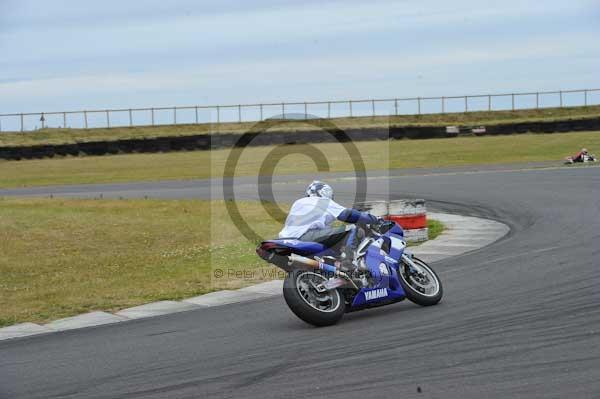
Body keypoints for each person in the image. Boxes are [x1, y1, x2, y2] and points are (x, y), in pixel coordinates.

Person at [278, 180, 381, 271]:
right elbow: (347, 214)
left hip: (286, 239)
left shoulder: (298, 203)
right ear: (324, 192)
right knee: (352, 229)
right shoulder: (323, 201)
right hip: (305, 236)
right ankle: (348, 263)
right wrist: (374, 219)